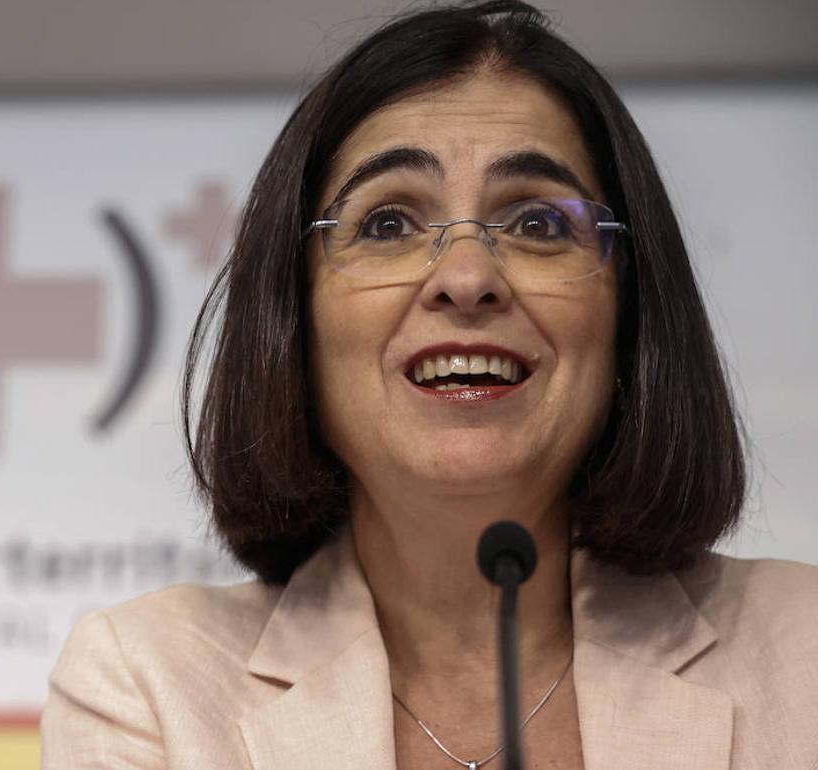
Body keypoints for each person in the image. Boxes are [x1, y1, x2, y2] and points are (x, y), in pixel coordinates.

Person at [41, 1, 818, 767]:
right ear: (294, 318)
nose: (468, 277)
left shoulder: (802, 654)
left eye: (538, 224)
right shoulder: (152, 685)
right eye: (388, 223)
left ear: (630, 313)